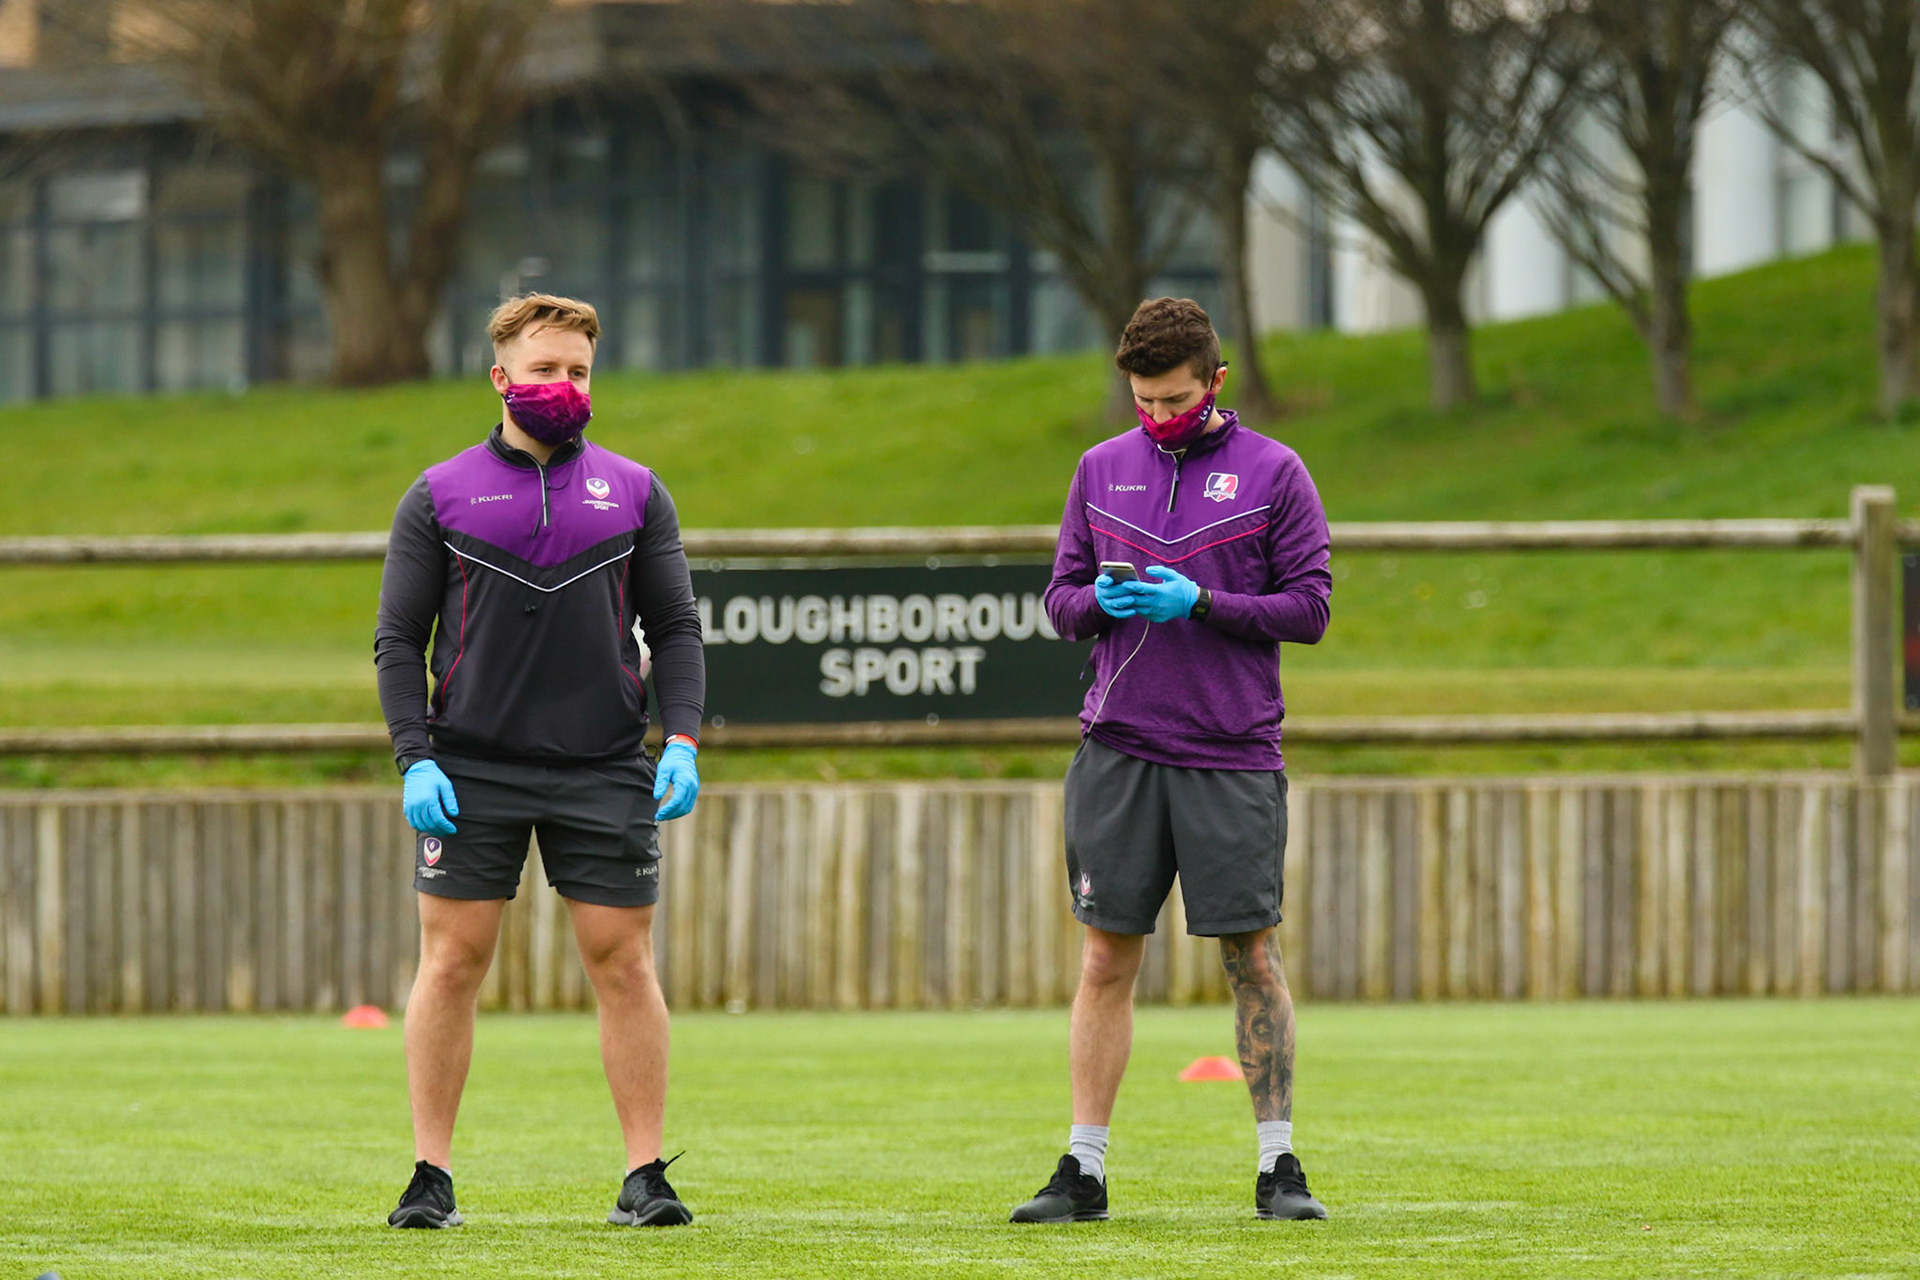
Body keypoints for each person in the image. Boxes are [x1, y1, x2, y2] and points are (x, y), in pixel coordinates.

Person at [373, 293, 705, 1229]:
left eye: (580, 372)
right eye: (546, 369)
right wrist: (414, 759)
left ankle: (645, 1176)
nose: (564, 386)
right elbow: (399, 642)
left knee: (623, 963)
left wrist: (678, 739)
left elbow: (677, 629)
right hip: (468, 766)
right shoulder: (437, 494)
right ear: (502, 377)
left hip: (605, 765)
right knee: (452, 963)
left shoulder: (637, 492)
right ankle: (429, 1177)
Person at [1013, 297, 1333, 1225]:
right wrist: (1107, 602)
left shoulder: (1277, 471)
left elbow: (1309, 609)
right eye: (1145, 400)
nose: (1159, 416)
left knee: (1251, 956)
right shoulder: (1098, 468)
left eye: (1177, 398)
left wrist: (1201, 603)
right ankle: (1084, 1169)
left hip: (1231, 753)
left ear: (1216, 382)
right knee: (1105, 958)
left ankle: (1279, 1168)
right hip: (1118, 748)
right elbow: (1061, 601)